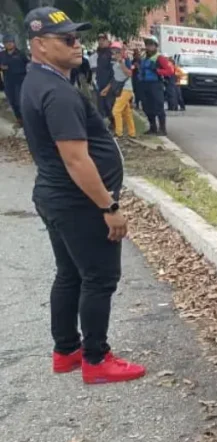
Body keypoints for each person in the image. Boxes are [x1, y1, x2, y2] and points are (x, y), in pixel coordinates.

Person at [20, 7, 146, 384]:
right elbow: (76, 160)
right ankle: (96, 358)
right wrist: (109, 206)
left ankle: (66, 350)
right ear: (40, 45)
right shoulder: (56, 93)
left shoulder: (37, 81)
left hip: (56, 195)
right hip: (79, 202)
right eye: (68, 39)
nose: (78, 45)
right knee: (99, 277)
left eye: (78, 38)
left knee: (70, 273)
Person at [136, 36, 173, 135]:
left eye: (151, 45)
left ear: (156, 46)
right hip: (144, 84)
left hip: (155, 84)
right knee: (146, 107)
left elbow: (170, 71)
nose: (149, 47)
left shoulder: (160, 58)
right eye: (147, 45)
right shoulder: (144, 57)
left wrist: (157, 70)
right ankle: (153, 128)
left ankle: (162, 129)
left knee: (158, 106)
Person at [106, 41, 135, 138]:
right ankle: (132, 133)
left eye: (117, 51)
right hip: (119, 88)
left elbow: (129, 73)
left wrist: (121, 62)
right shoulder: (113, 61)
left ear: (121, 51)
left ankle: (119, 133)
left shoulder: (125, 60)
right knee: (126, 112)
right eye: (113, 50)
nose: (115, 52)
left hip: (126, 88)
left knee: (116, 111)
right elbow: (116, 76)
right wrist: (108, 88)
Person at [0, 34, 29, 126]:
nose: (9, 44)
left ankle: (27, 121)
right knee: (12, 101)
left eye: (11, 42)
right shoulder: (1, 55)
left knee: (20, 101)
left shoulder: (20, 54)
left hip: (20, 81)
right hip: (8, 81)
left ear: (14, 43)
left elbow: (28, 65)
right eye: (6, 42)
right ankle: (19, 120)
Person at [92, 34, 114, 127]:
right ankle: (107, 124)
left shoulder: (110, 54)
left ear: (107, 41)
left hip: (109, 85)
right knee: (101, 106)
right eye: (99, 40)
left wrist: (110, 85)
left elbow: (114, 72)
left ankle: (114, 123)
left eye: (103, 40)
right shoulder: (100, 54)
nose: (101, 42)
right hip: (100, 83)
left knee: (110, 106)